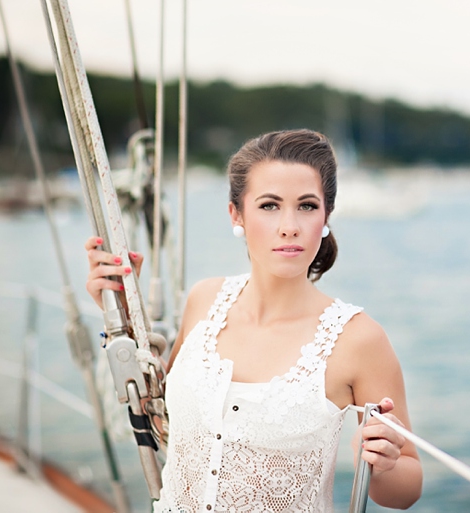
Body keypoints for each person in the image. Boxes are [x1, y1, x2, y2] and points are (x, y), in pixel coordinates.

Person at [85, 129, 423, 512]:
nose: (289, 226)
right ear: (237, 214)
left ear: (326, 215)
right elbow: (163, 414)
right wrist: (121, 312)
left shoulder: (358, 340)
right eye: (269, 205)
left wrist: (384, 463)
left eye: (307, 206)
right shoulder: (204, 300)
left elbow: (406, 490)